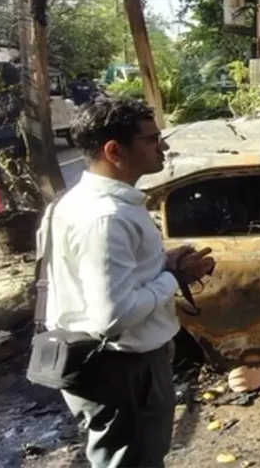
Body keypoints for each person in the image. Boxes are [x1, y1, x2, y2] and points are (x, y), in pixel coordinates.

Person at [44, 97, 215, 468]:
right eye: (152, 139)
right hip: (121, 369)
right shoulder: (106, 218)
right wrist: (174, 277)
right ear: (114, 150)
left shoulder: (77, 202)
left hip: (108, 365)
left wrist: (160, 263)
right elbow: (113, 316)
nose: (163, 147)